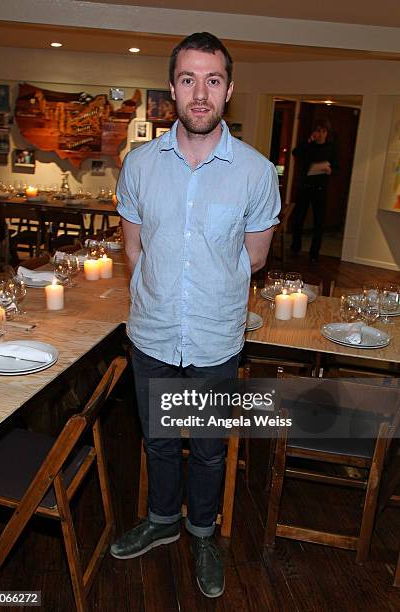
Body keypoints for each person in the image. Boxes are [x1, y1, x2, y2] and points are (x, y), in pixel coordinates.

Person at [111, 32, 280, 598]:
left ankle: (202, 532)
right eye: (189, 79)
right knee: (158, 440)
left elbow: (255, 259)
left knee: (208, 449)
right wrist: (157, 297)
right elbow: (132, 250)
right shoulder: (138, 166)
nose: (200, 93)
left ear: (229, 90)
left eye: (212, 80)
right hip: (153, 335)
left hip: (214, 339)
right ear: (172, 89)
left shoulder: (256, 173)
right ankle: (162, 520)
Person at [290, 120, 339, 262]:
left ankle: (314, 254)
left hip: (320, 189)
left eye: (323, 131)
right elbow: (296, 152)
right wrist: (309, 140)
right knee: (298, 219)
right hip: (305, 187)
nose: (320, 134)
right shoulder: (308, 145)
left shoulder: (330, 148)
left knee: (319, 222)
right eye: (318, 131)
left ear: (327, 133)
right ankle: (295, 247)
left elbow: (336, 167)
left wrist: (330, 170)